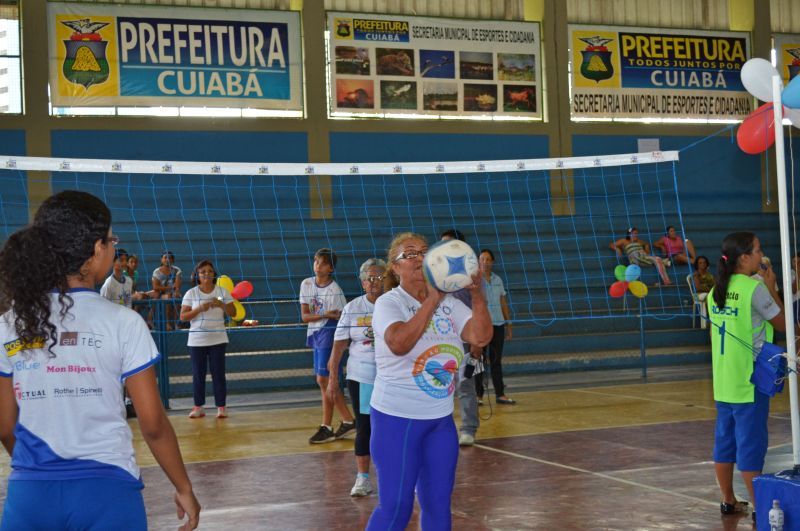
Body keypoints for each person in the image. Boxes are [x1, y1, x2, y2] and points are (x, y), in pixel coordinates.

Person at [0, 190, 199, 530]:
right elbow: (152, 424)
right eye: (110, 240)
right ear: (96, 250)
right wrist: (184, 488)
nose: (112, 247)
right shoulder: (124, 322)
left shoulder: (9, 323)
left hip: (30, 496)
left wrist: (39, 467)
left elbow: (4, 425)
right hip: (108, 492)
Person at [367, 232, 492, 530]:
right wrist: (433, 299)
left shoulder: (450, 302)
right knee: (396, 507)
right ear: (394, 268)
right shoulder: (390, 303)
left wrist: (476, 295)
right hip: (396, 420)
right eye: (409, 254)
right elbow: (399, 343)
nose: (419, 258)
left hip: (439, 420)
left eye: (424, 252)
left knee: (437, 504)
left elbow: (481, 336)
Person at [708, 231, 788, 524]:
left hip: (724, 378)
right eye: (756, 250)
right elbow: (782, 323)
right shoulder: (753, 289)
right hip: (750, 378)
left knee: (725, 442)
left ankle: (728, 500)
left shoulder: (718, 289)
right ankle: (761, 507)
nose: (760, 253)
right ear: (744, 258)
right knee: (751, 444)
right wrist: (772, 286)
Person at [327, 258, 386, 497]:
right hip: (362, 376)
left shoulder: (395, 304)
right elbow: (338, 348)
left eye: (379, 277)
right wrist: (332, 379)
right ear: (363, 283)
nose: (374, 282)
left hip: (392, 377)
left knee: (396, 426)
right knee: (365, 426)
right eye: (370, 278)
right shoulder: (353, 308)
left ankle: (400, 475)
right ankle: (362, 478)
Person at [299, 247, 355, 444]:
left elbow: (341, 321)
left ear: (330, 268)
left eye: (322, 263)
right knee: (323, 381)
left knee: (325, 379)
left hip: (330, 331)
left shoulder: (335, 291)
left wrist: (330, 318)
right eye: (316, 261)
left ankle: (328, 426)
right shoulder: (306, 284)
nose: (317, 265)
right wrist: (324, 314)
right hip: (316, 331)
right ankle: (347, 420)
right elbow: (304, 316)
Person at [439, 229, 481, 447]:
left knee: (465, 384)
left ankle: (468, 428)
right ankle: (441, 429)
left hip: (465, 339)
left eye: (450, 243)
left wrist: (477, 343)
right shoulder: (435, 272)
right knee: (437, 385)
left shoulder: (470, 275)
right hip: (439, 340)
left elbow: (478, 309)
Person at [180, 260, 236, 419]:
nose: (206, 274)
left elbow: (233, 313)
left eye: (209, 271)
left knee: (218, 373)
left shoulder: (222, 291)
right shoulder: (191, 293)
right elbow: (183, 316)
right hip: (197, 340)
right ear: (197, 275)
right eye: (203, 271)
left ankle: (221, 407)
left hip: (218, 338)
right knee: (198, 374)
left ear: (214, 274)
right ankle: (198, 407)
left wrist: (222, 305)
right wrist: (199, 309)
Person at [477, 249, 515, 405]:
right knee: (478, 361)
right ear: (479, 262)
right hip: (481, 326)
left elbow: (503, 303)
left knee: (496, 361)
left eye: (488, 259)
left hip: (498, 324)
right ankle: (478, 396)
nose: (485, 262)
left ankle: (500, 394)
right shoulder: (474, 281)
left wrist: (509, 325)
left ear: (492, 262)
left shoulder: (498, 279)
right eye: (482, 259)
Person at [152, 250, 182, 330]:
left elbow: (177, 285)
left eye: (170, 258)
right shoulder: (157, 272)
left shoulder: (177, 270)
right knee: (168, 297)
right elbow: (155, 287)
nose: (167, 260)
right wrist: (169, 288)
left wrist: (175, 291)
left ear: (173, 260)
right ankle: (168, 323)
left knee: (177, 297)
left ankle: (176, 323)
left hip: (173, 293)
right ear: (161, 259)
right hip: (161, 294)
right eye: (165, 257)